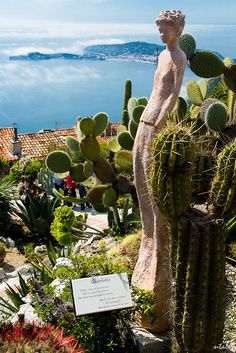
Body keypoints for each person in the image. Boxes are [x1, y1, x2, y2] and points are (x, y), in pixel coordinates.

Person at [132, 10, 187, 332]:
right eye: (159, 30)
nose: (161, 35)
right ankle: (147, 240)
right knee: (140, 179)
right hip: (144, 120)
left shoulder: (178, 57)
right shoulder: (160, 55)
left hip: (155, 123)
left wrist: (159, 124)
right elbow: (155, 93)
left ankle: (156, 247)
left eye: (165, 29)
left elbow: (173, 95)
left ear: (177, 29)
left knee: (152, 184)